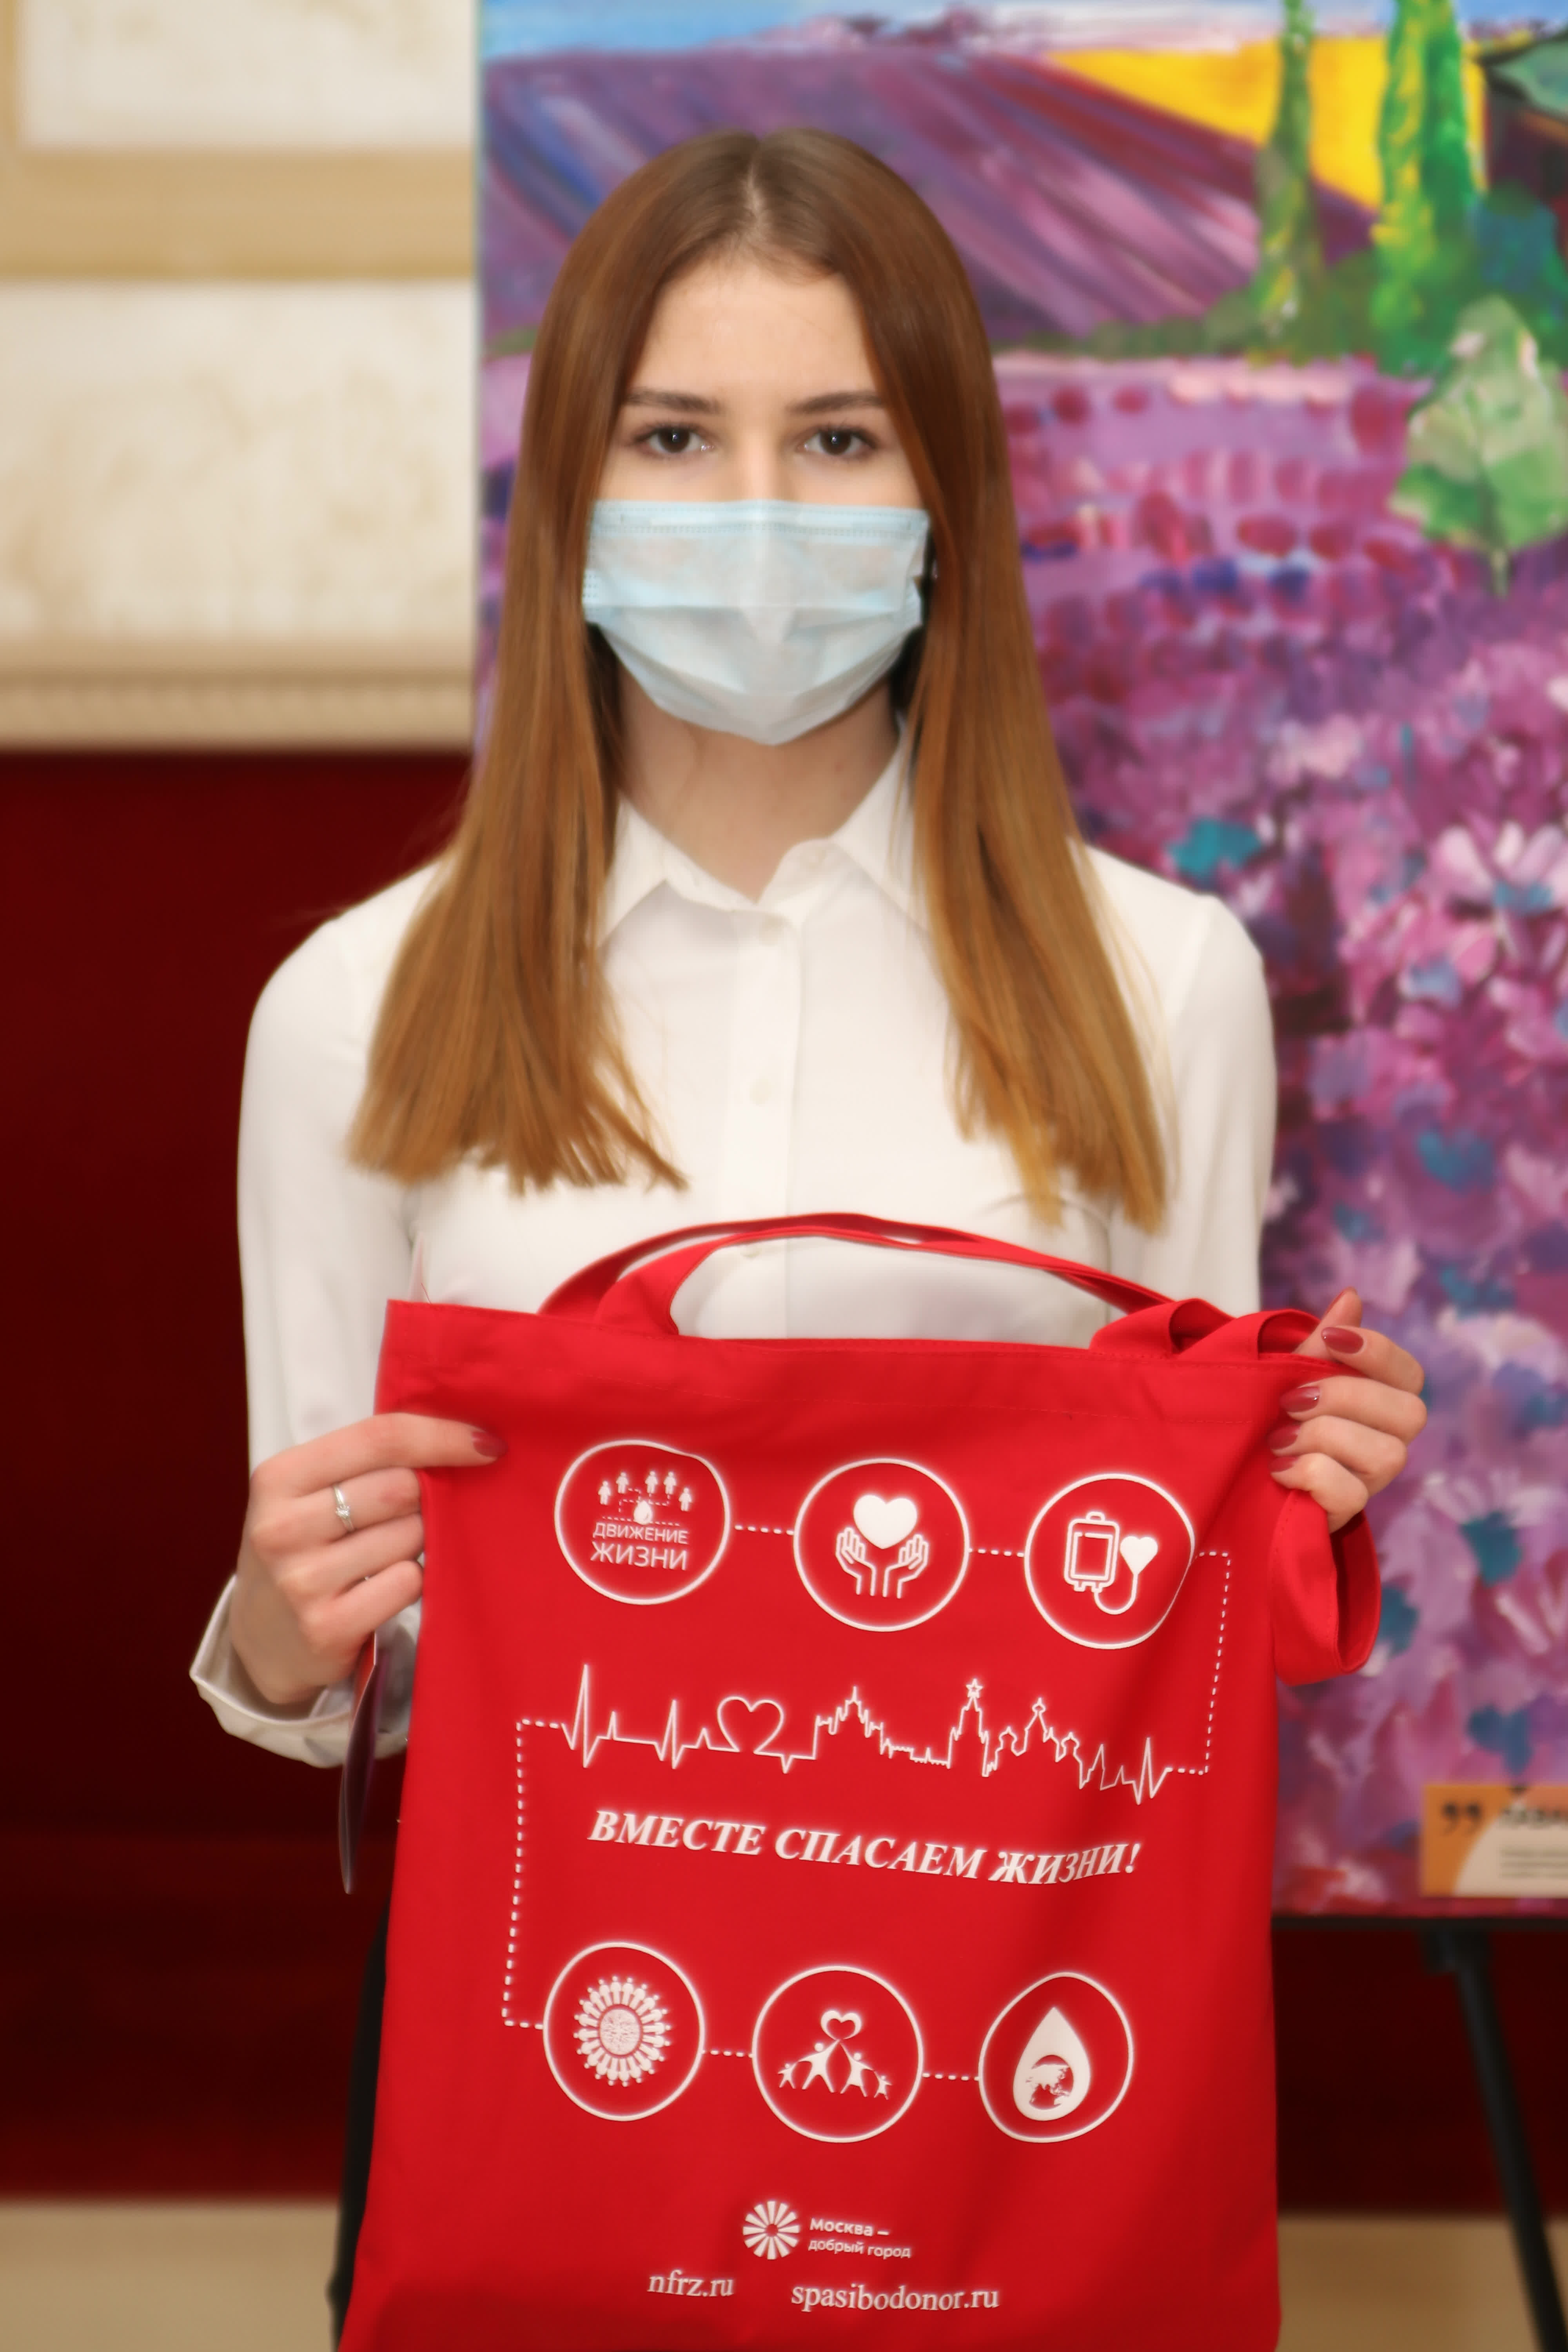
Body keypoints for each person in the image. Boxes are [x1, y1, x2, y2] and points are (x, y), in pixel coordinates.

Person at [190, 123, 1425, 2325]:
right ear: (569, 487)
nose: (755, 510)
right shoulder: (355, 1013)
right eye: (676, 436)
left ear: (946, 494)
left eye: (837, 438)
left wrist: (1303, 1491)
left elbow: (1169, 1653)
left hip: (1003, 2113)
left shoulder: (1166, 988)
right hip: (557, 2079)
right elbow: (338, 1673)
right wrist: (284, 1627)